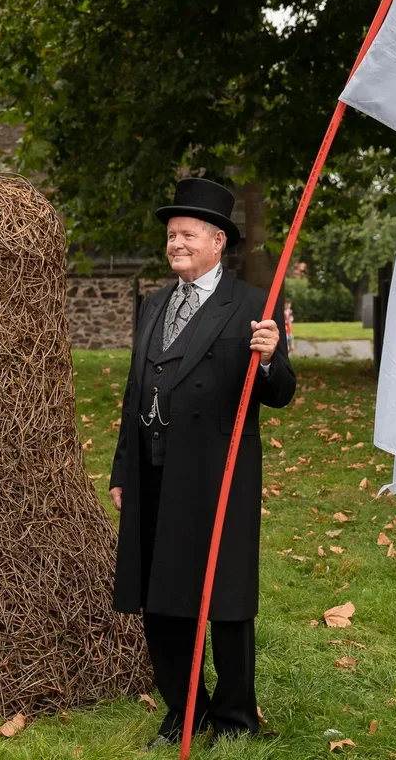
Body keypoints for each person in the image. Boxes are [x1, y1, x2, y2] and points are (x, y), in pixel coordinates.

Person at [108, 178, 295, 748]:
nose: (176, 244)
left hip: (219, 472)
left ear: (218, 241)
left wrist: (267, 360)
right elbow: (135, 390)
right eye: (171, 235)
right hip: (153, 468)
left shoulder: (252, 305)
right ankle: (184, 710)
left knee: (226, 597)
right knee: (159, 595)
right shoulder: (155, 303)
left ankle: (236, 718)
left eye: (187, 234)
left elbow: (282, 391)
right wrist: (122, 468)